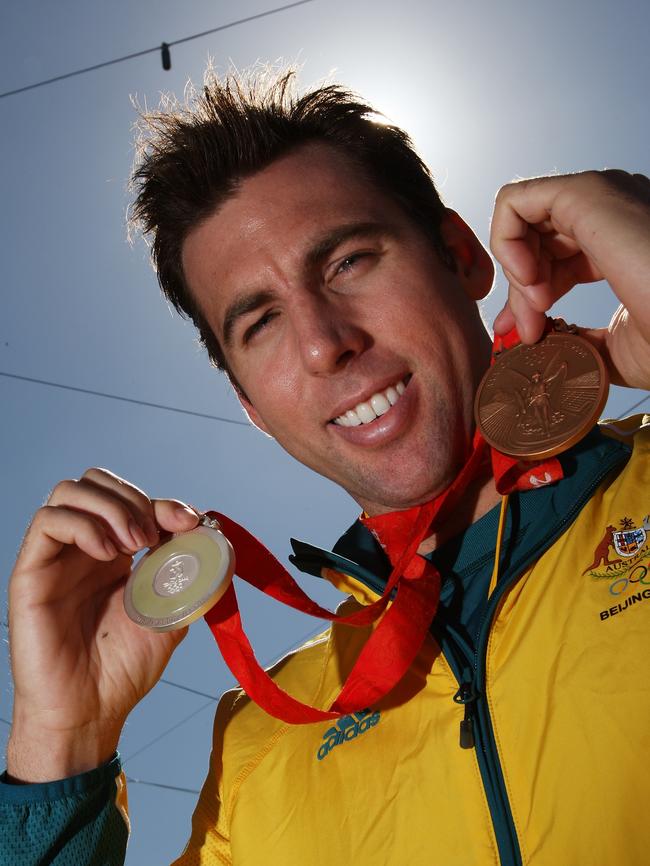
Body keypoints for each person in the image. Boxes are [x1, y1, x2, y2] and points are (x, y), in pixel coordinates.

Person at [2, 69, 650, 866]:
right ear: (250, 405)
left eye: (347, 262)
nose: (321, 342)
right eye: (262, 321)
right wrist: (61, 742)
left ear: (461, 257)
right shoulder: (256, 744)